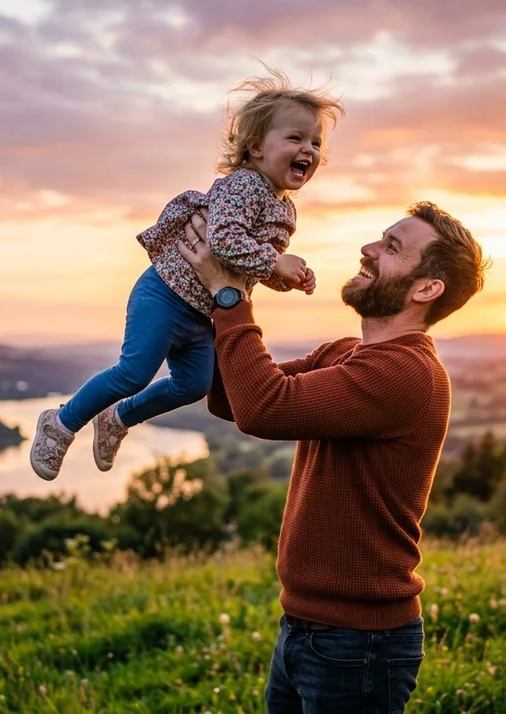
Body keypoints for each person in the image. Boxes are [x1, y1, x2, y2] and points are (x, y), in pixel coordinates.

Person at [176, 201, 490, 713]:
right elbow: (232, 397)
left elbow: (263, 408)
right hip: (305, 630)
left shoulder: (407, 374)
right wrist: (204, 295)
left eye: (392, 248)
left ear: (426, 288)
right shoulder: (346, 354)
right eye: (379, 238)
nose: (367, 250)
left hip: (359, 645)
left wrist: (230, 295)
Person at [30, 71, 344, 481]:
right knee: (133, 371)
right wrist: (274, 262)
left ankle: (118, 418)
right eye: (295, 138)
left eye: (315, 143)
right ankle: (61, 423)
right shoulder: (245, 185)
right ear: (255, 148)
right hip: (165, 293)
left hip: (202, 314)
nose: (308, 149)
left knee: (193, 384)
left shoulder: (284, 208)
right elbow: (225, 241)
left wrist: (286, 276)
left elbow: (246, 264)